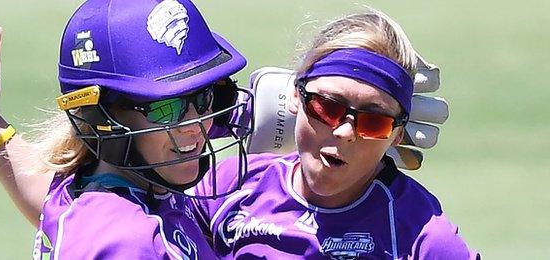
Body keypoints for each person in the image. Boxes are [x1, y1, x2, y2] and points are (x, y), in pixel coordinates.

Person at [0, 1, 470, 259]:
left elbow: (56, 203)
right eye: (327, 107)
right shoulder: (125, 236)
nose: (198, 125)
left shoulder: (174, 190)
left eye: (206, 98)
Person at [0, 0, 254, 258]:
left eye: (205, 96)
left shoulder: (101, 187)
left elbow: (47, 197)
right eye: (165, 109)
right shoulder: (122, 242)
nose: (195, 123)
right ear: (105, 119)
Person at [189, 10, 480, 259]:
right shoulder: (229, 186)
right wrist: (202, 119)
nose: (344, 132)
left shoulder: (420, 234)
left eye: (374, 122)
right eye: (327, 107)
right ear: (295, 96)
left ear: (397, 135)